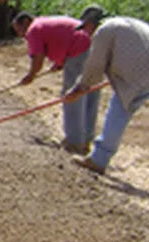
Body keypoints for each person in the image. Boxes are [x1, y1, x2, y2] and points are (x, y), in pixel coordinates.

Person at [64, 5, 149, 194]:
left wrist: (79, 88)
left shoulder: (104, 30)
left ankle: (98, 160)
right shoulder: (126, 22)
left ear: (92, 23)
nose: (86, 33)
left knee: (119, 107)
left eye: (85, 28)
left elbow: (95, 66)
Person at [12, 10, 101, 155]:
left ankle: (74, 142)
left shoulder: (34, 29)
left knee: (72, 96)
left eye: (20, 30)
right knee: (88, 94)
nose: (22, 35)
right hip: (93, 48)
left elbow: (38, 59)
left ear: (26, 22)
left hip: (79, 51)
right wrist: (60, 63)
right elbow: (62, 39)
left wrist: (31, 75)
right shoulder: (44, 23)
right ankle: (86, 140)